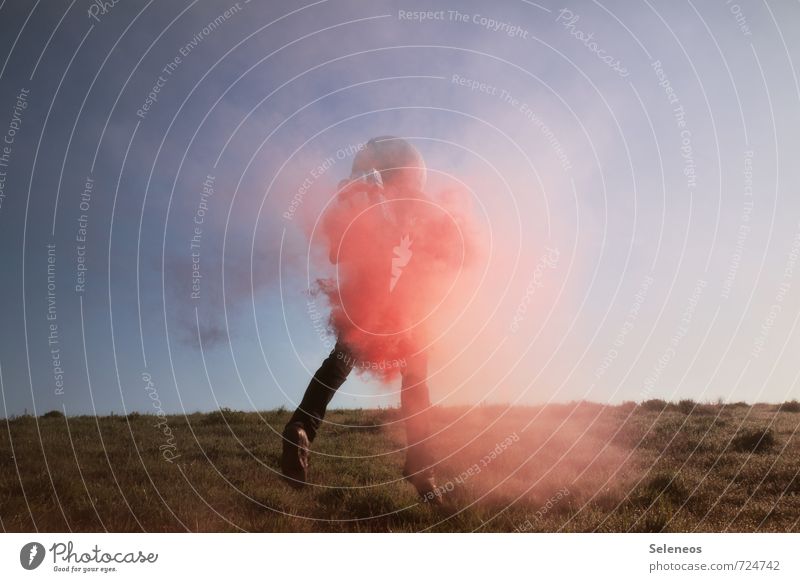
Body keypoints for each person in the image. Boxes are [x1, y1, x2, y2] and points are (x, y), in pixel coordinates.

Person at [281, 136, 442, 503]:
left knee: (339, 363)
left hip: (361, 299)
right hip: (401, 301)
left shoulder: (353, 195)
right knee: (416, 374)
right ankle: (421, 465)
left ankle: (301, 426)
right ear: (408, 170)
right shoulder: (408, 201)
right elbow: (435, 247)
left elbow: (337, 253)